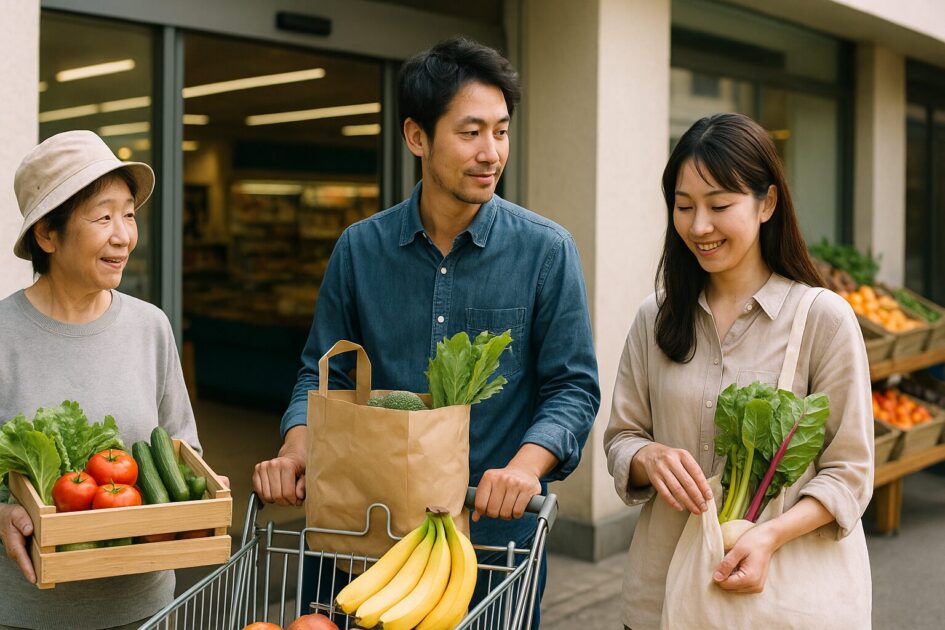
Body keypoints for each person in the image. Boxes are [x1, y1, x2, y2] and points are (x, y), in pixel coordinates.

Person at [253, 37, 600, 625]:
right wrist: (295, 448)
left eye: (502, 130)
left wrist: (524, 468)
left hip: (490, 542)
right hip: (364, 527)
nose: (491, 152)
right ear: (417, 137)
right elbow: (324, 372)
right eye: (470, 132)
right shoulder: (360, 249)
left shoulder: (546, 251)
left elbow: (572, 388)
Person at [603, 113, 873, 630]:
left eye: (719, 205)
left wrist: (768, 536)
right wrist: (649, 457)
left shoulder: (822, 319)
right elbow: (622, 438)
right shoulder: (655, 317)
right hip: (660, 594)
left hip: (781, 601)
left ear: (767, 203)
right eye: (684, 207)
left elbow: (851, 473)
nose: (699, 226)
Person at [0, 130, 202, 629]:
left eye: (129, 214)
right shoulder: (4, 336)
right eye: (102, 216)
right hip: (29, 613)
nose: (124, 236)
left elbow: (182, 446)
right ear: (48, 234)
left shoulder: (150, 326)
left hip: (145, 607)